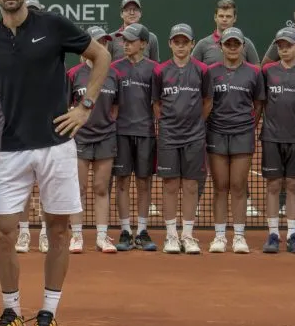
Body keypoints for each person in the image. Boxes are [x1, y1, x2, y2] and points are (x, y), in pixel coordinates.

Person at [0, 0, 111, 326]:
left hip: (57, 145)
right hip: (12, 149)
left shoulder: (53, 25)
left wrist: (85, 106)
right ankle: (11, 313)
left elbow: (101, 58)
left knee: (58, 230)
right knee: (4, 232)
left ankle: (48, 314)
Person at [205, 28, 266, 254]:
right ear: (221, 47)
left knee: (238, 186)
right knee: (220, 187)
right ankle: (220, 236)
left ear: (243, 47)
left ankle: (239, 236)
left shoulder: (254, 73)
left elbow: (259, 103)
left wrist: (250, 124)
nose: (232, 48)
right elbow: (205, 102)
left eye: (236, 44)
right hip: (216, 134)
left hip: (242, 134)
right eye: (228, 44)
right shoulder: (210, 72)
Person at [153, 24, 212, 254]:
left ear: (192, 44)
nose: (180, 46)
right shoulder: (160, 71)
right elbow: (156, 103)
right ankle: (170, 236)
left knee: (190, 185)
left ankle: (187, 235)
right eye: (176, 42)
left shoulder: (202, 70)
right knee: (169, 185)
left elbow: (207, 101)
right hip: (169, 135)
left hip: (194, 136)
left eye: (184, 42)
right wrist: (168, 122)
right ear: (170, 44)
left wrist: (195, 123)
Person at [66, 27, 120, 254]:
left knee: (101, 188)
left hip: (106, 137)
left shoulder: (114, 75)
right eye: (97, 42)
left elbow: (116, 107)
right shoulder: (74, 74)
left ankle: (101, 236)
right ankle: (76, 236)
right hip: (80, 138)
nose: (102, 46)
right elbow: (67, 105)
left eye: (105, 43)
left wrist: (104, 124)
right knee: (78, 187)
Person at [260, 28, 295, 254]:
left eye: (288, 46)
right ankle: (273, 233)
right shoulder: (268, 72)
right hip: (271, 137)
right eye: (280, 46)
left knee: (292, 186)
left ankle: (292, 234)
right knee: (273, 186)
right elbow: (260, 104)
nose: (284, 50)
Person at [111, 23, 157, 252]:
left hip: (146, 133)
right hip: (120, 133)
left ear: (144, 44)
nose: (125, 44)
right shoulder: (114, 68)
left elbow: (157, 104)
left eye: (130, 40)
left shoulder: (154, 69)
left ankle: (142, 230)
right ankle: (125, 230)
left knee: (144, 182)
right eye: (124, 40)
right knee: (121, 182)